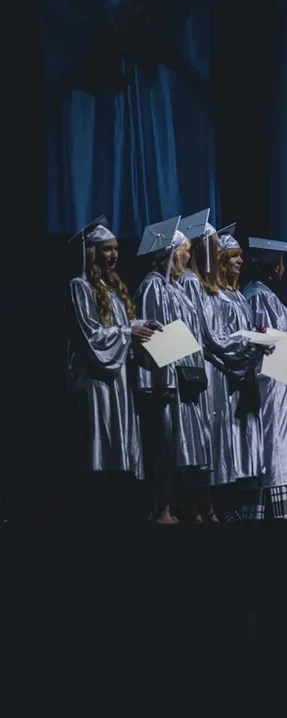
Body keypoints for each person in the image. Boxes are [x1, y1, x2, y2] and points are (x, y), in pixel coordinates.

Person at [67, 215, 158, 520]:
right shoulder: (80, 286)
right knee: (98, 445)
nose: (114, 255)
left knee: (119, 448)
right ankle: (95, 512)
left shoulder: (114, 289)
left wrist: (141, 326)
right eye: (106, 249)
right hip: (94, 379)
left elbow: (117, 328)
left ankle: (118, 509)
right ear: (93, 252)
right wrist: (127, 333)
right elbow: (90, 335)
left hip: (117, 380)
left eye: (116, 249)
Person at [179, 210, 261, 521]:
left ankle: (210, 506)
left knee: (215, 440)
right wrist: (247, 345)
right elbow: (211, 336)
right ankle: (202, 506)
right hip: (207, 369)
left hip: (221, 370)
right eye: (213, 246)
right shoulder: (193, 286)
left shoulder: (213, 290)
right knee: (205, 438)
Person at [133, 216, 213, 524]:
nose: (189, 256)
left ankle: (184, 507)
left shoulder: (174, 287)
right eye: (186, 250)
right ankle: (162, 510)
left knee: (182, 448)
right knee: (164, 445)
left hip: (184, 382)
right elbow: (157, 334)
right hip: (167, 383)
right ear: (172, 252)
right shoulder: (154, 286)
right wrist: (164, 381)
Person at [241, 237, 287, 520]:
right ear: (275, 266)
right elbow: (263, 338)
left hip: (281, 386)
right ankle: (274, 513)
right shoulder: (258, 295)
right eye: (281, 265)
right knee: (275, 447)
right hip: (271, 384)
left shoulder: (263, 293)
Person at [213, 225, 265, 519]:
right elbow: (222, 338)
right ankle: (228, 508)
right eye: (235, 257)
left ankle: (248, 510)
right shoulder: (218, 297)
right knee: (232, 444)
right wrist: (249, 344)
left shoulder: (240, 298)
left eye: (241, 257)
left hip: (247, 377)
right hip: (230, 377)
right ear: (222, 260)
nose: (240, 261)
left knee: (248, 445)